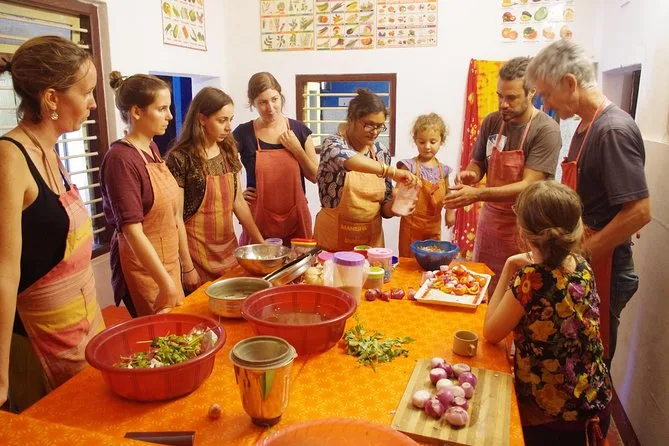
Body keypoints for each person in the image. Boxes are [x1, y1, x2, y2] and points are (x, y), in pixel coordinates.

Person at [526, 39, 651, 365]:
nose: (544, 103)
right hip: (584, 259)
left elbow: (639, 212)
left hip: (605, 265)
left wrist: (580, 252)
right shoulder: (585, 127)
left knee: (592, 362)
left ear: (570, 82)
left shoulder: (612, 130)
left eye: (546, 94)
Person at [0, 36, 105, 409]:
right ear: (51, 98)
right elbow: (4, 272)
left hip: (83, 329)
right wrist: (0, 374)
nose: (93, 103)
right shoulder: (10, 158)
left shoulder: (51, 151)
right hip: (36, 342)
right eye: (86, 92)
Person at [483, 181, 612, 446]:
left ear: (524, 232)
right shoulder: (582, 265)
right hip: (596, 402)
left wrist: (509, 267)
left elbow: (491, 332)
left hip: (554, 420)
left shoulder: (532, 280)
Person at [443, 56, 562, 290]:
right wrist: (471, 174)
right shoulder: (492, 122)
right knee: (485, 286)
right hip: (491, 223)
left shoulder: (546, 130)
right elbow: (478, 163)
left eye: (511, 97)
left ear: (532, 91)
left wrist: (477, 194)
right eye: (500, 96)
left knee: (520, 290)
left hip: (527, 225)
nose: (503, 104)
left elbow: (528, 185)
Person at [101, 71, 185, 317]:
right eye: (162, 109)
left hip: (167, 262)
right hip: (145, 271)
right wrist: (165, 283)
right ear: (136, 112)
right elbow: (132, 232)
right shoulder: (120, 159)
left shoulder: (152, 148)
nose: (170, 116)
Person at [166, 87, 264, 287]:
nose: (228, 127)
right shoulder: (181, 158)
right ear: (202, 119)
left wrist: (261, 244)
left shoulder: (228, 150)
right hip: (195, 254)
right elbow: (176, 217)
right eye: (222, 120)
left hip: (228, 251)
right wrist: (187, 267)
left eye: (230, 119)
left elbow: (238, 203)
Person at [314, 89, 419, 252]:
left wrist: (395, 205)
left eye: (380, 126)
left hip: (371, 247)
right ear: (351, 119)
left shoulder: (380, 152)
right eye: (369, 124)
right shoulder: (333, 145)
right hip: (332, 246)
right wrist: (393, 172)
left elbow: (384, 208)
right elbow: (349, 159)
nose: (375, 132)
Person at [233, 72, 318, 246]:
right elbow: (224, 169)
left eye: (274, 99)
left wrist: (297, 150)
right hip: (258, 221)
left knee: (299, 262)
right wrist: (236, 196)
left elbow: (315, 176)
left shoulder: (299, 130)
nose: (270, 108)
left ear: (281, 97)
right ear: (253, 103)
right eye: (262, 102)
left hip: (296, 219)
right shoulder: (243, 134)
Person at [396, 113, 456, 257]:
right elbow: (397, 191)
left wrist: (450, 212)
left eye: (433, 142)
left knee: (432, 259)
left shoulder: (443, 170)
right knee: (409, 262)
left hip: (433, 227)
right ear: (415, 141)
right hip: (411, 227)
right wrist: (399, 200)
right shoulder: (409, 166)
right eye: (422, 142)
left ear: (442, 140)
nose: (427, 147)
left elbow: (448, 193)